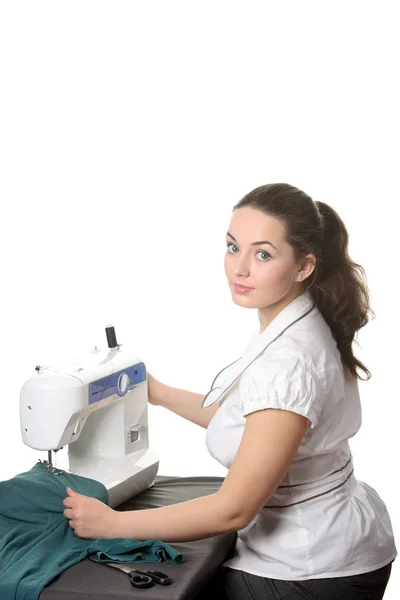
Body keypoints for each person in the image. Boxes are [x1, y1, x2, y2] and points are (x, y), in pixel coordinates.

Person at [63, 183, 397, 599]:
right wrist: (159, 393)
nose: (239, 269)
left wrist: (110, 524)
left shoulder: (288, 362)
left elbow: (234, 509)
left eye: (262, 254)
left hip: (310, 569)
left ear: (303, 266)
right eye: (232, 246)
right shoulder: (299, 319)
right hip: (338, 538)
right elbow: (251, 419)